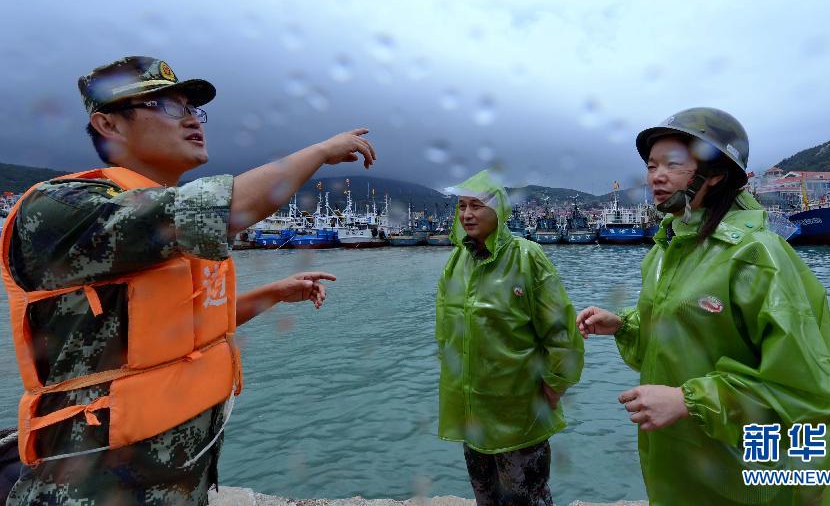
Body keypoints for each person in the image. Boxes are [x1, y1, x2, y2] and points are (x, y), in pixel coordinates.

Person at [0, 56, 376, 504]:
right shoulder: (62, 206)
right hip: (92, 490)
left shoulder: (158, 217)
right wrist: (318, 151)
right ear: (108, 125)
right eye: (166, 105)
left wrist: (272, 294)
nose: (193, 120)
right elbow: (224, 208)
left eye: (194, 109)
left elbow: (180, 329)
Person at [576, 108, 830, 505]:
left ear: (717, 174)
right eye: (652, 165)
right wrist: (626, 326)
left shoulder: (757, 256)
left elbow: (808, 392)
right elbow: (682, 341)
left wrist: (689, 401)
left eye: (674, 164)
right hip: (680, 470)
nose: (657, 176)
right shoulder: (665, 251)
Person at [435, 170, 584, 506]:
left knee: (527, 497)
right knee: (485, 496)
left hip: (519, 410)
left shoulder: (527, 257)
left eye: (476, 205)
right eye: (461, 206)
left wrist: (556, 382)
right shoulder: (456, 262)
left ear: (499, 209)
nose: (467, 214)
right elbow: (446, 330)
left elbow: (560, 329)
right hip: (473, 410)